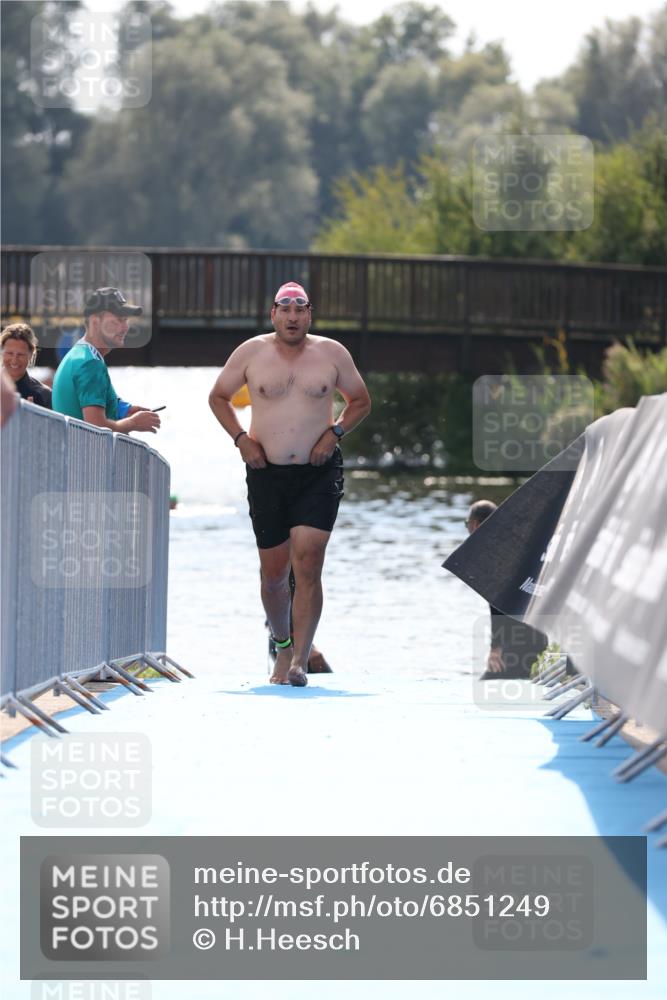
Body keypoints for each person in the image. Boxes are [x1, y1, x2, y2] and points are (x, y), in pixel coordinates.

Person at [209, 281, 372, 686]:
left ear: (309, 314)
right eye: (286, 309)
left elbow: (360, 401)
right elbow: (218, 397)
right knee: (274, 575)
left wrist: (334, 434)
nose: (293, 317)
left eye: (300, 309)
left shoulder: (332, 353)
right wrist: (241, 440)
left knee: (310, 561)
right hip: (266, 471)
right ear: (274, 315)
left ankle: (300, 659)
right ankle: (282, 645)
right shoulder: (251, 352)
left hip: (319, 471)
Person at [52, 287, 160, 434]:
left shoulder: (80, 354)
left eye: (126, 320)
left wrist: (125, 411)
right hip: (81, 449)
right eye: (119, 320)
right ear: (95, 322)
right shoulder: (90, 363)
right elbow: (96, 427)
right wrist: (133, 423)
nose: (125, 327)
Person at [466, 499, 548, 680]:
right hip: (541, 628)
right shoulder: (519, 543)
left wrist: (495, 648)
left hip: (522, 636)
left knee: (488, 683)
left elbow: (498, 606)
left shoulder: (493, 554)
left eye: (466, 525)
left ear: (475, 525)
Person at [1, 323, 52, 408]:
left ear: (31, 354)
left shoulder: (43, 395)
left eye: (20, 354)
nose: (14, 360)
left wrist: (33, 414)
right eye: (10, 353)